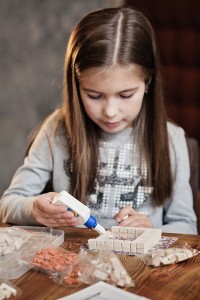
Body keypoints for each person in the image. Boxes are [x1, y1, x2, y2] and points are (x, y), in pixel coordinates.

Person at [0, 6, 197, 234]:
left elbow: (188, 227)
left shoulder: (172, 139)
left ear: (148, 83)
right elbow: (8, 204)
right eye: (94, 95)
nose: (110, 111)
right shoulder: (56, 130)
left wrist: (152, 228)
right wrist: (33, 209)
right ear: (76, 85)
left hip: (142, 267)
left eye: (125, 95)